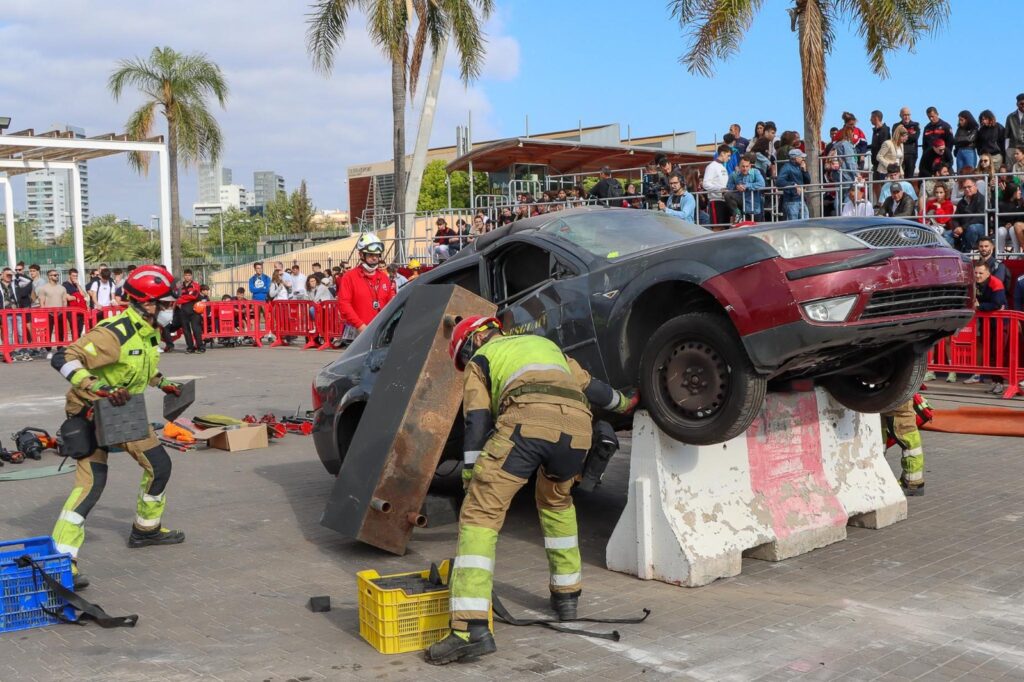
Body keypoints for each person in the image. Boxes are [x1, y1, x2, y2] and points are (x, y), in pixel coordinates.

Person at [425, 316, 638, 665]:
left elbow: (476, 420)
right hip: (577, 431)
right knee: (556, 502)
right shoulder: (546, 347)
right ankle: (566, 597)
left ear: (471, 343)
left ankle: (469, 630)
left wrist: (470, 476)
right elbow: (596, 389)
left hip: (526, 423)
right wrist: (626, 404)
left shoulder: (481, 360)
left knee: (481, 515)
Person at [49, 265, 186, 590]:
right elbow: (64, 357)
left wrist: (163, 383)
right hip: (93, 412)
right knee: (92, 484)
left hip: (125, 410)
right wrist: (95, 387)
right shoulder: (114, 332)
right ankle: (61, 560)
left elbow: (138, 367)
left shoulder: (148, 331)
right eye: (166, 303)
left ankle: (146, 529)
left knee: (160, 466)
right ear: (145, 303)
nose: (170, 309)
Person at [337, 232, 395, 334]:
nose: (375, 258)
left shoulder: (384, 277)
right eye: (371, 254)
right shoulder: (349, 277)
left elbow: (391, 302)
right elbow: (344, 304)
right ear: (361, 255)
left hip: (383, 330)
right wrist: (360, 325)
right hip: (359, 331)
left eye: (377, 255)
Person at [883, 398, 929, 496]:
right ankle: (913, 481)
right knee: (909, 434)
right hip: (902, 396)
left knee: (902, 430)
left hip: (893, 396)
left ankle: (911, 483)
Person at [945, 178, 987, 252]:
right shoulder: (961, 202)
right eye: (965, 187)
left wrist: (962, 228)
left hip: (980, 229)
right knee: (945, 235)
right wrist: (956, 228)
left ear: (975, 186)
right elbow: (955, 218)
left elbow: (979, 218)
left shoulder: (982, 200)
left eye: (969, 187)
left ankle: (966, 252)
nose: (967, 189)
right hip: (964, 229)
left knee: (972, 228)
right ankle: (952, 255)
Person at [725, 155, 766, 222]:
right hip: (742, 205)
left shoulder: (755, 172)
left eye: (747, 166)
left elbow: (762, 184)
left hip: (754, 205)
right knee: (727, 195)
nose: (745, 168)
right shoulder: (734, 175)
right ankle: (737, 213)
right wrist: (736, 187)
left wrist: (746, 186)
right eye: (743, 166)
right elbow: (729, 186)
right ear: (739, 166)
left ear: (750, 166)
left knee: (757, 228)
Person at [702, 144, 732, 226]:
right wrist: (720, 189)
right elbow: (705, 184)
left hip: (725, 200)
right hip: (715, 201)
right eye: (728, 155)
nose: (729, 158)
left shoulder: (723, 167)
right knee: (717, 228)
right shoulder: (711, 166)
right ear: (722, 153)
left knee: (725, 228)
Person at [176, 268, 205, 354]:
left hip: (194, 311)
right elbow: (177, 298)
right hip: (183, 311)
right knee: (186, 330)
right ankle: (190, 348)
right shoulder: (180, 286)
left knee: (196, 329)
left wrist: (183, 298)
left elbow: (194, 296)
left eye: (189, 275)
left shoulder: (195, 285)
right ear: (183, 276)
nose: (187, 277)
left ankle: (200, 347)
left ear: (191, 276)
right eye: (186, 275)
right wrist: (185, 297)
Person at [777, 149, 810, 220]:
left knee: (805, 221)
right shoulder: (786, 167)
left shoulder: (799, 167)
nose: (803, 159)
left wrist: (804, 171)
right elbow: (779, 181)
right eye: (801, 157)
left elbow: (808, 181)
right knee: (793, 223)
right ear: (795, 158)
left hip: (800, 199)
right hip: (791, 200)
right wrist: (793, 184)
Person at [897, 107, 921, 179]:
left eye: (908, 115)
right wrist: (909, 136)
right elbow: (896, 138)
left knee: (909, 177)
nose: (907, 117)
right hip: (899, 154)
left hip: (911, 155)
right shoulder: (896, 126)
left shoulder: (915, 125)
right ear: (900, 115)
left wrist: (902, 136)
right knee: (898, 176)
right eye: (904, 115)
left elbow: (915, 137)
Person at [869, 110, 891, 181]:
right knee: (875, 183)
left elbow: (884, 146)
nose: (870, 120)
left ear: (876, 118)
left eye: (871, 118)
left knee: (883, 183)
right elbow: (874, 145)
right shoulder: (875, 131)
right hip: (875, 162)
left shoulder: (885, 130)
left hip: (882, 163)